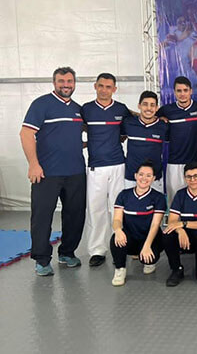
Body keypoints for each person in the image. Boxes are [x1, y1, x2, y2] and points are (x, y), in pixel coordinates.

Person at [20, 67, 86, 276]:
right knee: (42, 216)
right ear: (54, 82)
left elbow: (72, 136)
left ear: (74, 83)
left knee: (75, 215)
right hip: (46, 173)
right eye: (61, 81)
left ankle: (67, 252)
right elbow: (26, 134)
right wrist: (33, 164)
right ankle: (41, 259)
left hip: (75, 172)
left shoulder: (78, 109)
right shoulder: (42, 104)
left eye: (69, 81)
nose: (66, 85)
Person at [82, 73, 132, 267]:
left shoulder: (121, 109)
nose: (104, 90)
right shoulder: (86, 109)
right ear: (95, 86)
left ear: (114, 89)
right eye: (101, 86)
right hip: (96, 167)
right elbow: (80, 128)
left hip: (119, 165)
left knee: (118, 208)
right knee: (96, 210)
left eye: (108, 86)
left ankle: (119, 245)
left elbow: (127, 130)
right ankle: (97, 250)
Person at [110, 161, 166, 286]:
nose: (144, 178)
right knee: (115, 239)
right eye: (141, 174)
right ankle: (120, 269)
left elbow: (155, 224)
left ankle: (147, 260)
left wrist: (147, 246)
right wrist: (118, 230)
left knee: (148, 258)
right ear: (135, 176)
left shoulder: (158, 198)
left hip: (150, 238)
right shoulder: (124, 195)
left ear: (153, 178)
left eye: (148, 175)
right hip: (131, 237)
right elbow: (117, 220)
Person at [157, 76, 197, 205]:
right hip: (174, 163)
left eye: (185, 90)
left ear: (191, 91)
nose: (182, 94)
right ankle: (174, 225)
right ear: (174, 92)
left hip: (196, 162)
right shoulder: (166, 110)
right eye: (179, 91)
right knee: (174, 200)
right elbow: (148, 118)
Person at [122, 91, 169, 191]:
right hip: (131, 177)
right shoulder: (128, 123)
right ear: (139, 106)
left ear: (157, 108)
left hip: (154, 178)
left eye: (152, 105)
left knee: (156, 206)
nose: (148, 108)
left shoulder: (163, 126)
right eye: (145, 104)